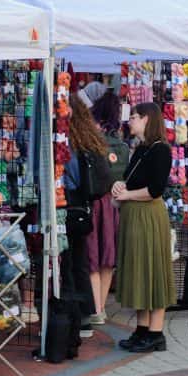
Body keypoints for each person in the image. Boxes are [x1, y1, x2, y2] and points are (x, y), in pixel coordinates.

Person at [112, 103, 175, 354]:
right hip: (135, 216)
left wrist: (127, 194)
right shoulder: (140, 149)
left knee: (153, 271)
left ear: (147, 119)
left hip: (148, 216)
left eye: (134, 117)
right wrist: (120, 186)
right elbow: (132, 181)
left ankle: (156, 333)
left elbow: (155, 189)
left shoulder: (161, 150)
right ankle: (142, 329)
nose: (130, 121)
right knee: (139, 271)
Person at [63, 94, 110, 338]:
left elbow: (69, 176)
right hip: (84, 209)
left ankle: (74, 318)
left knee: (68, 263)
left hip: (68, 206)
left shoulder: (68, 143)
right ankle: (84, 317)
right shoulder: (88, 139)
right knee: (80, 262)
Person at [86, 89, 126, 325]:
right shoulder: (121, 145)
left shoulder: (92, 142)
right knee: (107, 257)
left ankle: (96, 309)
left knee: (92, 255)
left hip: (94, 202)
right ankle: (101, 307)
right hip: (114, 204)